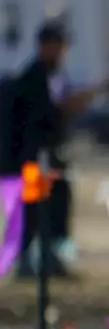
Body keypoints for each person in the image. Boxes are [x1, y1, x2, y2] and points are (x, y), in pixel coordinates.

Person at [1, 21, 95, 279]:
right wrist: (78, 101)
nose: (63, 52)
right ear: (47, 46)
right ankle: (28, 265)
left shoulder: (52, 77)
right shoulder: (32, 79)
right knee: (31, 214)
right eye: (59, 46)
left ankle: (50, 261)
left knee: (54, 211)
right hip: (30, 162)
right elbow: (43, 118)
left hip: (47, 160)